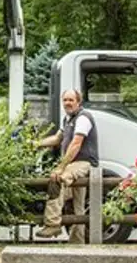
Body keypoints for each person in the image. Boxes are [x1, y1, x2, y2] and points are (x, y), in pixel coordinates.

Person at [35, 88, 98, 243]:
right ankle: (77, 243)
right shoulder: (68, 119)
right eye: (65, 100)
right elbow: (57, 139)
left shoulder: (83, 118)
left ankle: (52, 224)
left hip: (83, 163)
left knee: (57, 179)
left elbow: (76, 144)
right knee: (78, 207)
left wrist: (61, 167)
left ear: (78, 102)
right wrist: (36, 144)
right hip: (74, 163)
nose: (67, 103)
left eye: (71, 100)